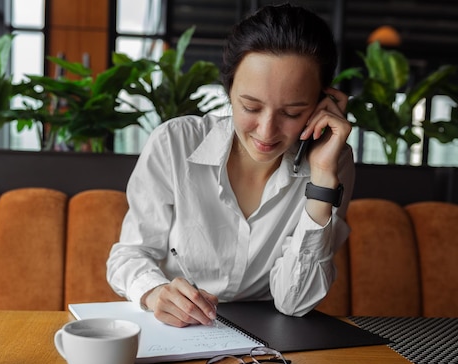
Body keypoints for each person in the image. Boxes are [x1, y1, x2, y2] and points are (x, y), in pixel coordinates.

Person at [107, 3, 355, 327]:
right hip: (177, 331)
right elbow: (128, 255)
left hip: (272, 344)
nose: (266, 131)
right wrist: (155, 292)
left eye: (292, 113)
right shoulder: (175, 144)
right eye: (250, 106)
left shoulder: (332, 163)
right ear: (229, 90)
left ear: (323, 104)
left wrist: (322, 178)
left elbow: (296, 301)